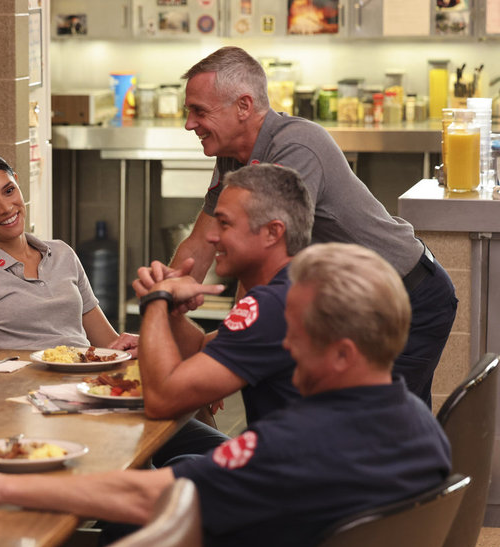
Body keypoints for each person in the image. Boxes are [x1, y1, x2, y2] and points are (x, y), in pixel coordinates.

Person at [0, 242, 452, 547]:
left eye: (298, 334)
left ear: (343, 354)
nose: (285, 344)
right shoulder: (422, 428)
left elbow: (145, 496)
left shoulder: (292, 443)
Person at [171, 46, 456, 406]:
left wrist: (228, 354)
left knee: (375, 425)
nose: (189, 124)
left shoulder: (295, 146)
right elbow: (200, 242)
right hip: (356, 301)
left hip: (408, 295)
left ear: (243, 106)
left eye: (199, 111)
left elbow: (265, 255)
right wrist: (164, 301)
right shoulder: (233, 155)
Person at [138, 163, 313, 462]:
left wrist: (156, 299)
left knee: (163, 473)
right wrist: (173, 313)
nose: (212, 236)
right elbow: (201, 349)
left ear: (273, 232)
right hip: (324, 465)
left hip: (298, 478)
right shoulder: (298, 285)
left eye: (225, 224)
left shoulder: (271, 305)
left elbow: (160, 401)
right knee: (185, 460)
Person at [0, 152, 136, 351]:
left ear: (18, 183)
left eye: (9, 191)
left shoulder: (62, 253)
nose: (6, 208)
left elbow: (109, 345)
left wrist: (134, 345)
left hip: (81, 372)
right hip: (17, 375)